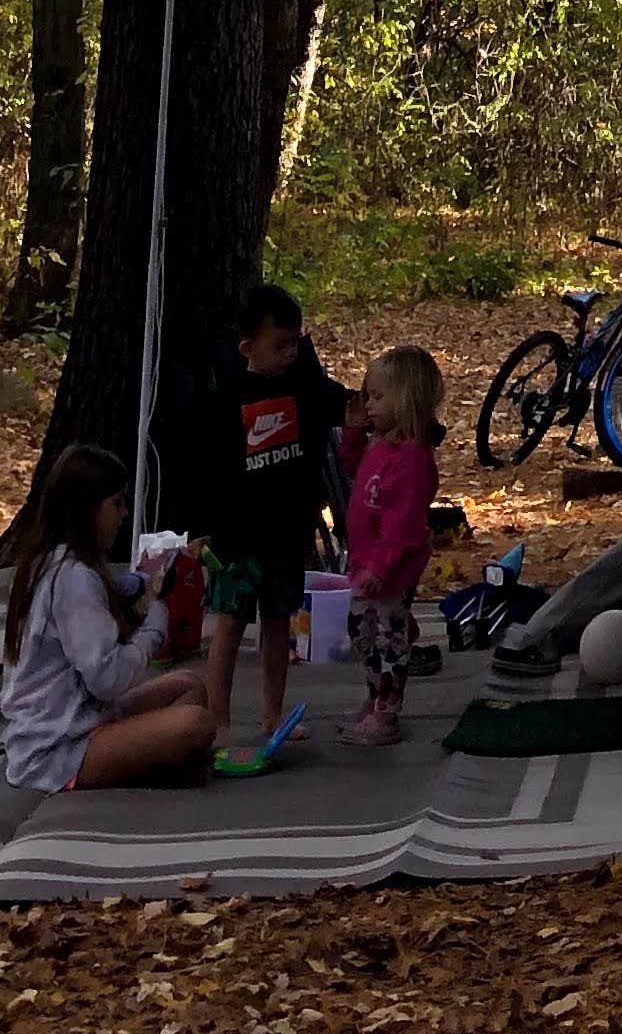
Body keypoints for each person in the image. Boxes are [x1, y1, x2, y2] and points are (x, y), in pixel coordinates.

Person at [183, 280, 351, 749]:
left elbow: (350, 408)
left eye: (296, 343)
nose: (290, 353)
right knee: (230, 626)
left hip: (286, 535)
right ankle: (216, 722)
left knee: (279, 626)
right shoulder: (227, 399)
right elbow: (205, 470)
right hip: (236, 537)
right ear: (246, 348)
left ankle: (273, 715)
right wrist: (202, 530)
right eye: (279, 346)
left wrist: (393, 409)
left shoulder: (309, 388)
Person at [0, 441, 212, 792]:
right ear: (88, 510)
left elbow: (115, 596)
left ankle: (152, 760)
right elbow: (108, 678)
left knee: (188, 685)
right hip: (57, 747)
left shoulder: (59, 562)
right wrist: (156, 625)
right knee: (196, 723)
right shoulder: (72, 578)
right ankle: (144, 763)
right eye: (116, 503)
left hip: (85, 715)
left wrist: (140, 585)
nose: (123, 513)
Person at [340, 344, 445, 745]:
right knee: (361, 632)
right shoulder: (379, 444)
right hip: (364, 560)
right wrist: (352, 435)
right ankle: (374, 697)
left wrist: (381, 568)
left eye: (378, 397)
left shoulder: (413, 459)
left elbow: (403, 525)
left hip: (389, 569)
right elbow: (359, 474)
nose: (369, 404)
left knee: (388, 638)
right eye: (368, 395)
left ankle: (388, 710)